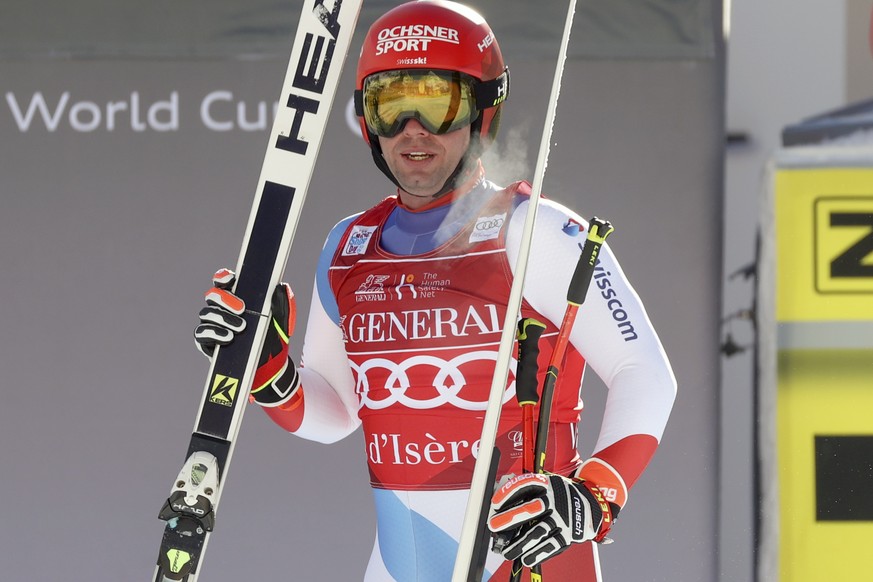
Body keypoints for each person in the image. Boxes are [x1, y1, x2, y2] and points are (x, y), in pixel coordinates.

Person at [194, 1, 677, 580]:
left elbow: (644, 371)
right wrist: (271, 379)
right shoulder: (348, 247)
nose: (411, 130)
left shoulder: (534, 230)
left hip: (525, 562)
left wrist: (593, 495)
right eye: (390, 105)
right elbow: (339, 412)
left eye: (436, 103)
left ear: (482, 109)